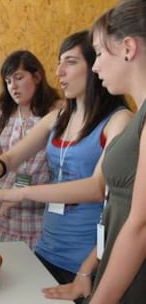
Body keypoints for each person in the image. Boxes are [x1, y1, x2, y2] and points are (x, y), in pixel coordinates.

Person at [0, 30, 132, 304]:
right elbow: (12, 157)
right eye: (59, 62)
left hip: (87, 259)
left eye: (71, 62)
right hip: (46, 249)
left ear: (95, 64)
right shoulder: (59, 116)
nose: (59, 71)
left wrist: (21, 193)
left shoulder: (118, 120)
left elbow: (96, 188)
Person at [40, 2, 146, 303]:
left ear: (128, 47)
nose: (96, 65)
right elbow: (116, 211)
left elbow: (139, 225)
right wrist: (88, 271)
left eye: (99, 53)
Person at [0, 50, 60, 249]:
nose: (13, 86)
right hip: (2, 217)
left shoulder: (58, 114)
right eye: (8, 81)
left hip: (40, 217)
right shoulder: (3, 118)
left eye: (19, 78)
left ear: (37, 76)